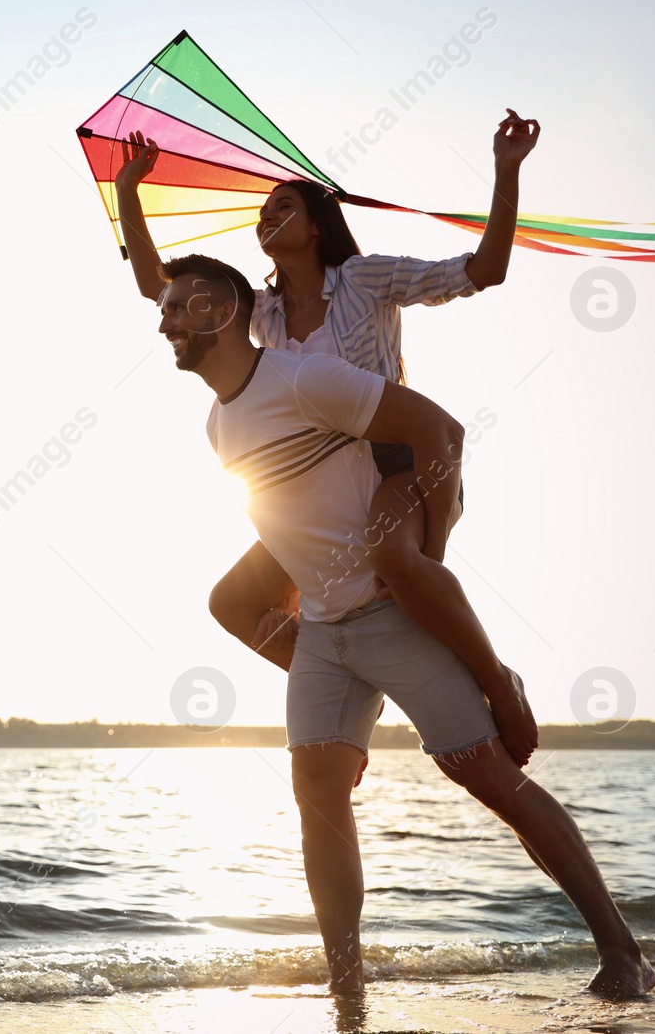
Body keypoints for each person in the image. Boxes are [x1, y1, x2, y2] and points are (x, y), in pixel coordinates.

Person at [153, 252, 655, 999]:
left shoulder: (301, 378)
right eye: (161, 308)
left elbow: (440, 431)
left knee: (487, 778)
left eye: (180, 305)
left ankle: (623, 951)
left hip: (393, 615)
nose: (165, 320)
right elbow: (295, 523)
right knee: (317, 796)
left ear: (222, 310)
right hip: (324, 635)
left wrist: (426, 551)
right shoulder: (216, 426)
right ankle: (346, 982)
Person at [116, 111, 540, 781]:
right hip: (319, 498)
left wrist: (506, 169)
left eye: (282, 207)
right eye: (261, 213)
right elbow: (157, 285)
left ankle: (498, 682)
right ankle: (351, 674)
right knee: (232, 602)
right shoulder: (261, 311)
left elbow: (484, 270)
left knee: (392, 558)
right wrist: (129, 193)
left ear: (317, 224)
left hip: (400, 465)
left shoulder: (367, 280)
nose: (266, 218)